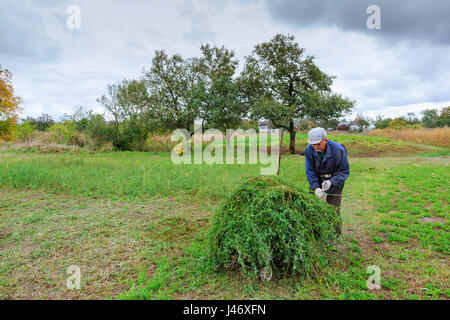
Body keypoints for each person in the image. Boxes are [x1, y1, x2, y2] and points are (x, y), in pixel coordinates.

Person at [304, 127, 350, 235]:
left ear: (325, 139)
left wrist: (331, 182)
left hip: (335, 181)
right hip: (318, 179)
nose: (315, 147)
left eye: (318, 144)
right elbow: (310, 171)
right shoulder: (309, 150)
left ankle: (335, 235)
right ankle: (314, 234)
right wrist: (315, 188)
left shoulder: (338, 150)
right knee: (312, 207)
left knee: (333, 210)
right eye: (313, 144)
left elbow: (343, 171)